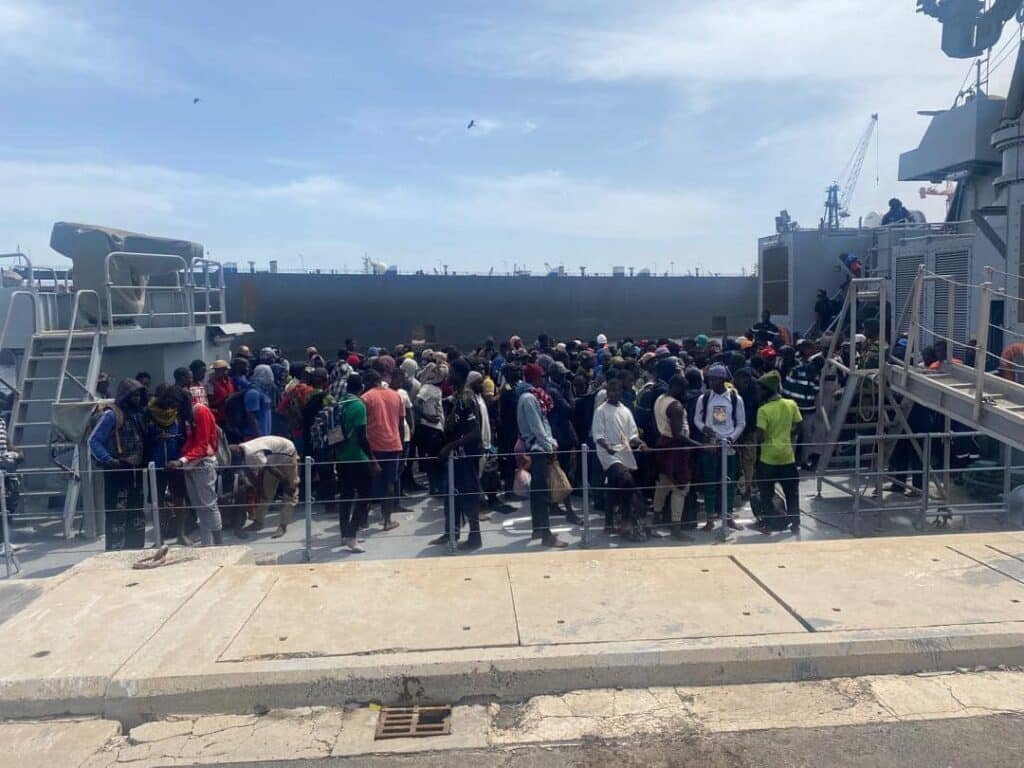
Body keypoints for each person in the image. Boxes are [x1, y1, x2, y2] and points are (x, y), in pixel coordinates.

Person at [431, 359, 484, 550]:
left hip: (465, 456)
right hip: (457, 457)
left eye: (451, 372)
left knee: (468, 496)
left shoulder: (467, 397)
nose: (448, 375)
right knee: (451, 495)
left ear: (460, 374)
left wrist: (451, 446)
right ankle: (451, 532)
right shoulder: (458, 396)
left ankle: (475, 537)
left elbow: (474, 431)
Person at [88, 379, 147, 550]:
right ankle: (115, 550)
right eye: (133, 395)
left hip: (135, 469)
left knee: (136, 511)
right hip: (117, 469)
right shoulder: (112, 415)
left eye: (138, 395)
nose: (136, 399)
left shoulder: (138, 415)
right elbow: (94, 441)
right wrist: (108, 459)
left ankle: (136, 548)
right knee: (117, 512)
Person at [516, 363, 567, 547]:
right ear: (535, 378)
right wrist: (550, 446)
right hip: (538, 450)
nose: (544, 380)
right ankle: (546, 535)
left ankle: (538, 529)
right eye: (541, 376)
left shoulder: (531, 396)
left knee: (538, 494)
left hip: (538, 447)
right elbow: (537, 427)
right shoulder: (529, 398)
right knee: (543, 494)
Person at [592, 377, 647, 539]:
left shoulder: (626, 410)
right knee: (626, 480)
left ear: (621, 393)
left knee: (614, 488)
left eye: (617, 391)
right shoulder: (600, 410)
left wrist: (641, 443)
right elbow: (598, 435)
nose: (614, 393)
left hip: (624, 452)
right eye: (611, 391)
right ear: (607, 393)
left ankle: (610, 523)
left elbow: (632, 436)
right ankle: (626, 520)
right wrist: (608, 447)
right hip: (608, 454)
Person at [692, 365, 745, 532]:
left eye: (714, 379)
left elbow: (741, 423)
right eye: (710, 379)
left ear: (723, 380)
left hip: (728, 446)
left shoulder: (735, 399)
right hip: (711, 446)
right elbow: (697, 419)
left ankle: (728, 517)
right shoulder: (705, 398)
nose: (711, 382)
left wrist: (730, 438)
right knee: (710, 483)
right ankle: (710, 519)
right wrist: (704, 429)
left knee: (729, 483)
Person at [168, 403, 223, 546]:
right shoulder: (188, 415)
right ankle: (207, 544)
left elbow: (203, 445)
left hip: (203, 464)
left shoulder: (200, 412)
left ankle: (220, 544)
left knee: (209, 505)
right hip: (191, 464)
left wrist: (181, 461)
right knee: (199, 507)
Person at [754, 371, 802, 533]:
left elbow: (760, 436)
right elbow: (799, 425)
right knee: (792, 493)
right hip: (788, 457)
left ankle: (768, 524)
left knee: (766, 493)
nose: (758, 393)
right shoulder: (791, 404)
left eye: (760, 389)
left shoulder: (763, 410)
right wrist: (788, 436)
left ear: (767, 390)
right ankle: (795, 524)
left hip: (768, 459)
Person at [652, 374, 698, 540]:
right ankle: (676, 529)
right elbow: (679, 435)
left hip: (663, 442)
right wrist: (701, 446)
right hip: (676, 448)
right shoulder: (676, 407)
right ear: (678, 388)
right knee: (681, 488)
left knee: (663, 484)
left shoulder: (660, 399)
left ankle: (655, 521)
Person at [144, 383, 190, 545]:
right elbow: (142, 438)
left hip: (176, 463)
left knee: (179, 498)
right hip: (155, 465)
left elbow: (187, 437)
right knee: (158, 501)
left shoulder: (179, 414)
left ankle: (181, 534)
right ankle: (160, 537)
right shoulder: (148, 414)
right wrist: (154, 439)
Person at [230, 435, 299, 538]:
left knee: (290, 492)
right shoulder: (241, 450)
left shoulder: (251, 453)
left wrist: (286, 481)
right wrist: (258, 488)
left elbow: (270, 468)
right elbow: (249, 472)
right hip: (273, 458)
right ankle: (259, 522)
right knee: (265, 492)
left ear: (237, 455)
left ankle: (283, 526)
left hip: (287, 454)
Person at [361, 368, 403, 531]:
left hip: (372, 447)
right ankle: (387, 521)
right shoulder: (396, 395)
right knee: (389, 484)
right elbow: (400, 423)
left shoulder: (365, 398)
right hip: (393, 445)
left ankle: (363, 520)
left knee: (367, 484)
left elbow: (362, 426)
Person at [781, 340, 821, 468]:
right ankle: (790, 463)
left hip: (809, 410)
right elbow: (786, 390)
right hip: (794, 409)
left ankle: (803, 461)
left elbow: (816, 390)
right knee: (793, 437)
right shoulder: (796, 371)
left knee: (807, 437)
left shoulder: (815, 375)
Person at [415, 362, 447, 494]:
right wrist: (427, 417)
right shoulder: (427, 388)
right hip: (430, 427)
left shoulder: (436, 388)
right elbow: (417, 403)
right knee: (433, 459)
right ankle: (434, 487)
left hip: (437, 427)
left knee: (436, 458)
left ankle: (437, 486)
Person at [246, 364, 275, 439]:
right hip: (256, 438)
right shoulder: (253, 393)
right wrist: (260, 437)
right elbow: (251, 417)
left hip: (265, 436)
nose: (270, 377)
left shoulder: (265, 392)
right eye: (267, 374)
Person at [207, 360, 234, 428]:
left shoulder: (230, 381)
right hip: (219, 417)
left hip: (231, 415)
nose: (225, 371)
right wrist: (224, 399)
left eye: (225, 369)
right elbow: (210, 403)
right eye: (217, 370)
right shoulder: (210, 383)